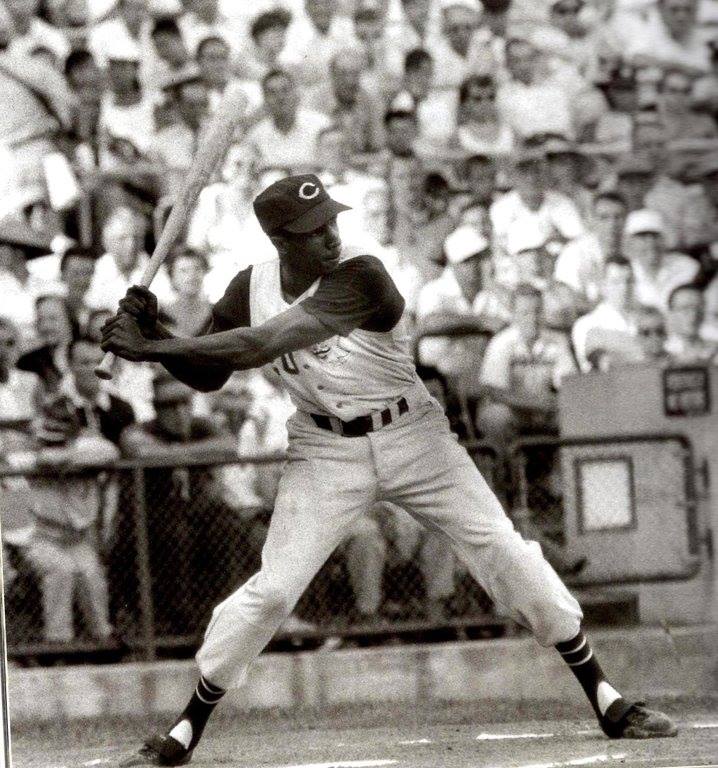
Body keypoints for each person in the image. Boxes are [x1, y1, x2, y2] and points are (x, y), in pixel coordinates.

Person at [101, 173, 677, 766]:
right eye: (310, 230)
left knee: (502, 548)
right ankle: (185, 732)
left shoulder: (363, 273)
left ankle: (608, 699)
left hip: (414, 434)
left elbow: (262, 345)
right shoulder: (251, 286)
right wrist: (160, 329)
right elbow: (207, 374)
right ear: (279, 239)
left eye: (330, 221)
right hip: (325, 448)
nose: (328, 235)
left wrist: (152, 347)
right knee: (273, 589)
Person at [664, 283, 718, 362]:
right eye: (685, 308)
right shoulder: (661, 350)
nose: (693, 315)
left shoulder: (715, 349)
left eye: (698, 309)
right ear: (671, 313)